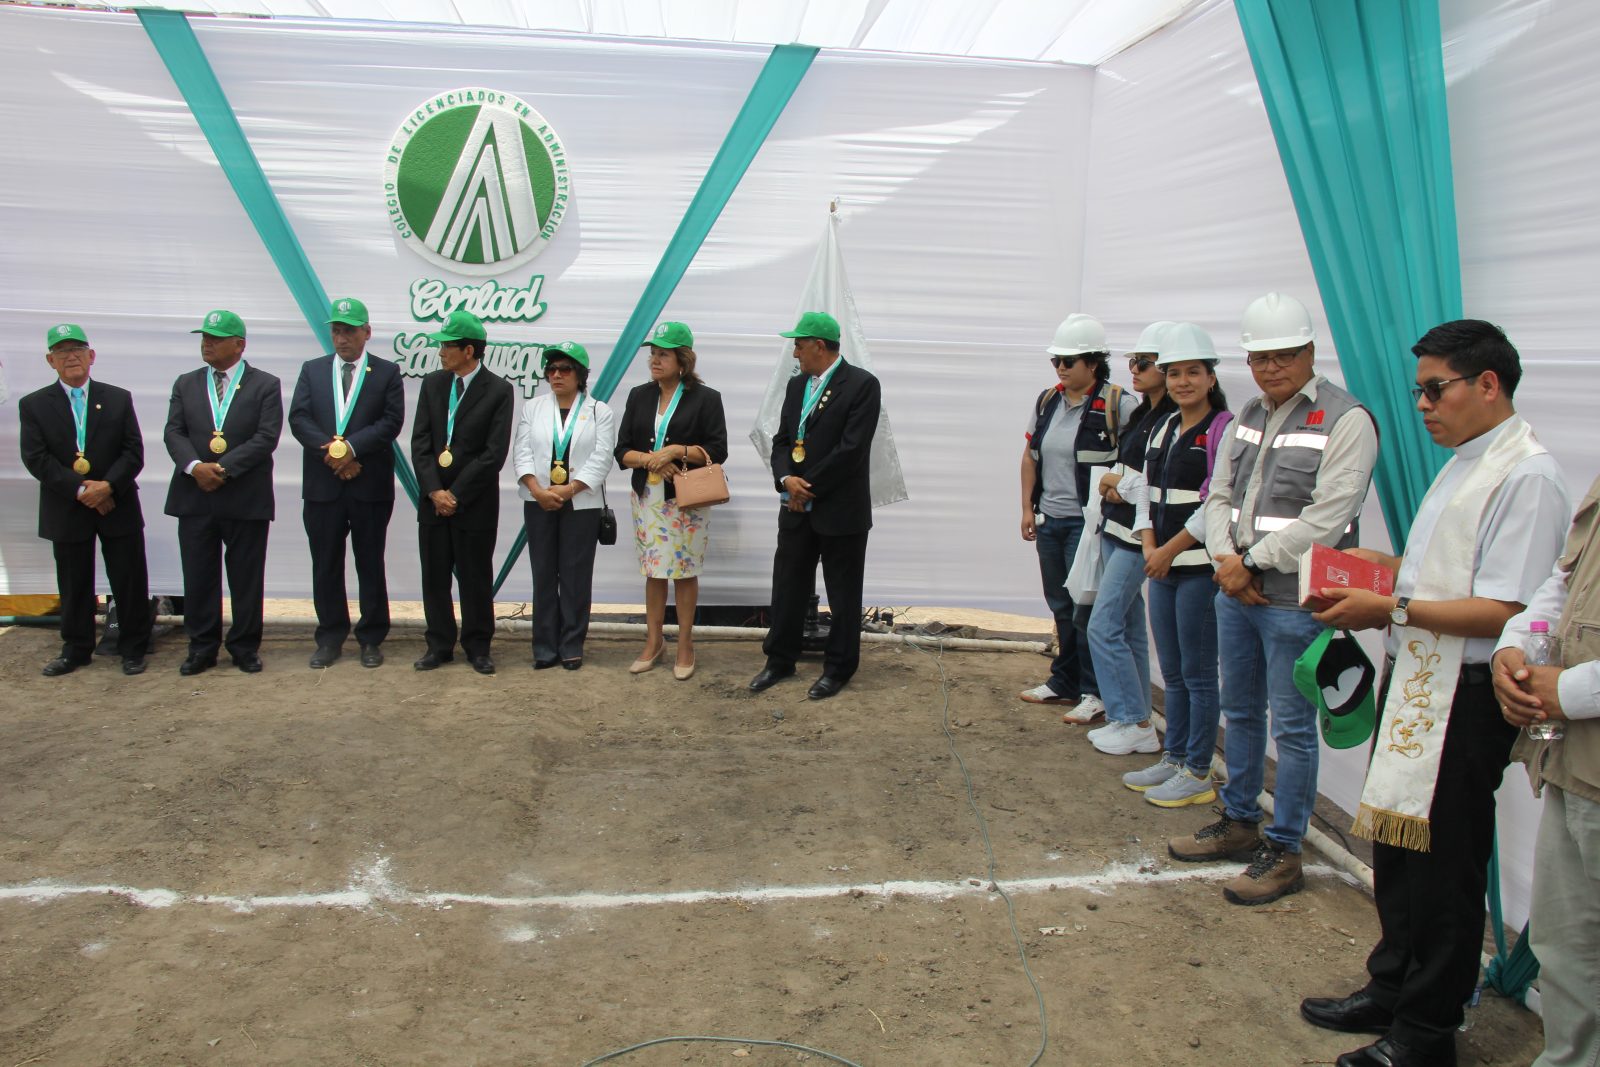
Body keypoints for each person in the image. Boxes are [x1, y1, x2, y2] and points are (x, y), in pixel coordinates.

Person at [1296, 320, 1570, 1067]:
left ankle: (1427, 1030)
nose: (1421, 404)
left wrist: (1389, 607)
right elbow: (1444, 580)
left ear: (1489, 384)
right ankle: (1392, 985)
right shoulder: (1463, 462)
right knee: (1397, 844)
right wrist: (1381, 570)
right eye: (1418, 390)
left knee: (1445, 861)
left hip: (1469, 692)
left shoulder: (1527, 475)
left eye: (1434, 389)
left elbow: (1509, 608)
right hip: (1422, 676)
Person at [1168, 292, 1378, 905]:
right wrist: (1226, 561)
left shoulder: (1346, 419)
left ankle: (1285, 851)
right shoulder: (1247, 415)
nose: (1271, 367)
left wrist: (1250, 564)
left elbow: (1329, 516)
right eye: (1260, 357)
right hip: (1237, 591)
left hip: (1293, 603)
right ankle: (1239, 821)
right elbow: (1219, 495)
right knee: (1240, 711)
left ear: (1310, 351)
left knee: (1292, 729)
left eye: (1284, 355)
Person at [1495, 473, 1600, 1067]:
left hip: (1579, 728)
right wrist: (1514, 647)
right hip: (1575, 765)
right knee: (1565, 951)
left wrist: (1572, 691)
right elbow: (1562, 583)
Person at [1121, 322, 1232, 806]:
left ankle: (1198, 770)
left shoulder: (1224, 430)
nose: (1182, 381)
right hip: (1162, 566)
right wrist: (1149, 545)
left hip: (1198, 569)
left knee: (1199, 672)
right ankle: (1175, 757)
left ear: (1211, 377)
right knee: (1173, 671)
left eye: (1193, 372)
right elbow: (1144, 491)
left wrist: (1169, 550)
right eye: (1174, 373)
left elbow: (1216, 502)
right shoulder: (1164, 427)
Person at [749, 311, 880, 700]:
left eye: (799, 345)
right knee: (787, 586)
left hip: (840, 510)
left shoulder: (862, 385)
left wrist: (808, 487)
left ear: (819, 347)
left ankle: (838, 668)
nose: (795, 352)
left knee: (843, 594)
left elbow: (852, 449)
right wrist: (785, 480)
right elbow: (782, 441)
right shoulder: (796, 386)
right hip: (794, 507)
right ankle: (779, 660)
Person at [1018, 313, 1138, 721]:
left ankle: (1094, 690)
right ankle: (1064, 681)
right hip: (1051, 520)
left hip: (1090, 527)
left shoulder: (1119, 404)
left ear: (1094, 362)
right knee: (1061, 604)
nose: (1061, 367)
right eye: (1057, 360)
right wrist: (1027, 508)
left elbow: (1134, 467)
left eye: (1069, 361)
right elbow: (1030, 457)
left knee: (1085, 606)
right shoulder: (1047, 401)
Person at [18, 322, 152, 676]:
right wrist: (83, 491)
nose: (71, 357)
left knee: (128, 578)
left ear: (91, 356)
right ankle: (76, 649)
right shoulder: (33, 405)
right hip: (67, 506)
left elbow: (133, 452)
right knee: (74, 582)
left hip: (117, 502)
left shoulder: (118, 398)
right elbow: (36, 458)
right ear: (50, 360)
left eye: (77, 350)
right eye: (62, 351)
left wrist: (107, 487)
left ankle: (134, 648)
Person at [287, 297, 406, 669]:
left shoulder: (386, 372)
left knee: (369, 563)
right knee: (325, 564)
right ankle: (330, 637)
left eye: (349, 331)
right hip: (323, 487)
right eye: (336, 331)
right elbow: (299, 418)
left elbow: (391, 422)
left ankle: (371, 638)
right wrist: (333, 454)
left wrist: (352, 450)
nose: (342, 339)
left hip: (369, 485)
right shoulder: (312, 370)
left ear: (367, 332)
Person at [163, 309, 282, 675]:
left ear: (239, 345)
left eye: (215, 338)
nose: (207, 344)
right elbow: (173, 432)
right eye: (204, 337)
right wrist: (195, 467)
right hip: (195, 494)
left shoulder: (265, 384)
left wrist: (224, 469)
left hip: (244, 496)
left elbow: (266, 437)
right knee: (199, 576)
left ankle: (244, 647)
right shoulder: (186, 383)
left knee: (246, 577)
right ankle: (202, 647)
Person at [614, 321, 728, 680]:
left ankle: (685, 644)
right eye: (653, 354)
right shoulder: (638, 395)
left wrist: (677, 451)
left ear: (683, 361)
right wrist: (652, 460)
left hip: (686, 500)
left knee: (684, 571)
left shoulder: (707, 398)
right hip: (647, 498)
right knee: (654, 571)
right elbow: (622, 451)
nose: (655, 360)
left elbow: (718, 450)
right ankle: (653, 642)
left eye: (663, 354)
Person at [1085, 321, 1176, 755]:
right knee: (1128, 627)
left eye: (1144, 363)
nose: (1135, 370)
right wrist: (1118, 484)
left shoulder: (1173, 419)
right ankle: (1137, 719)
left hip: (1139, 537)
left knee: (1103, 625)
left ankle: (1131, 718)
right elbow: (1127, 478)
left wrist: (1115, 484)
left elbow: (1147, 484)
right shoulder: (1142, 413)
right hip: (1118, 528)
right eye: (1134, 362)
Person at [410, 309, 515, 675]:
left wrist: (455, 494)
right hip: (433, 503)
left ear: (469, 350)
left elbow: (493, 454)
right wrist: (434, 492)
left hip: (474, 503)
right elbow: (421, 443)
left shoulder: (499, 390)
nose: (441, 352)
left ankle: (478, 646)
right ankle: (439, 645)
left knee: (475, 578)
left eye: (447, 346)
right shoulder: (433, 384)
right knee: (434, 577)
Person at [512, 341, 616, 670]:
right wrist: (537, 490)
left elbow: (602, 458)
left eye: (565, 369)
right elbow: (521, 452)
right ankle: (544, 646)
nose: (556, 375)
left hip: (581, 503)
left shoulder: (600, 411)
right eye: (551, 369)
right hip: (539, 501)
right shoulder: (533, 408)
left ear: (580, 375)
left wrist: (570, 489)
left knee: (575, 575)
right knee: (543, 573)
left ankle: (572, 644)